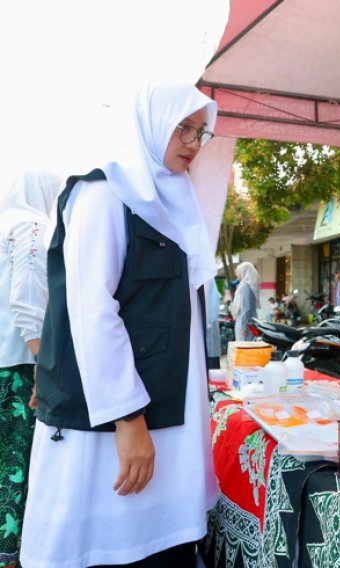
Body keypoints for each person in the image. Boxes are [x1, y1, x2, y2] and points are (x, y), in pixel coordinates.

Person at [21, 83, 221, 567]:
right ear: (150, 125)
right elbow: (92, 312)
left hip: (167, 411)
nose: (193, 144)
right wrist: (129, 420)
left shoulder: (176, 202)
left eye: (201, 133)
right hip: (113, 419)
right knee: (104, 546)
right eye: (184, 129)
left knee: (158, 543)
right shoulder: (103, 195)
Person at [0, 170, 60, 567]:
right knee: (15, 467)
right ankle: (10, 555)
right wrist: (44, 360)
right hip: (17, 368)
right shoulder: (30, 228)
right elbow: (25, 299)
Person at [231, 261, 259, 341]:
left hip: (245, 323)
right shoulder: (251, 286)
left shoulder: (245, 287)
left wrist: (243, 327)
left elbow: (246, 308)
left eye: (239, 272)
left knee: (243, 347)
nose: (238, 275)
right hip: (250, 322)